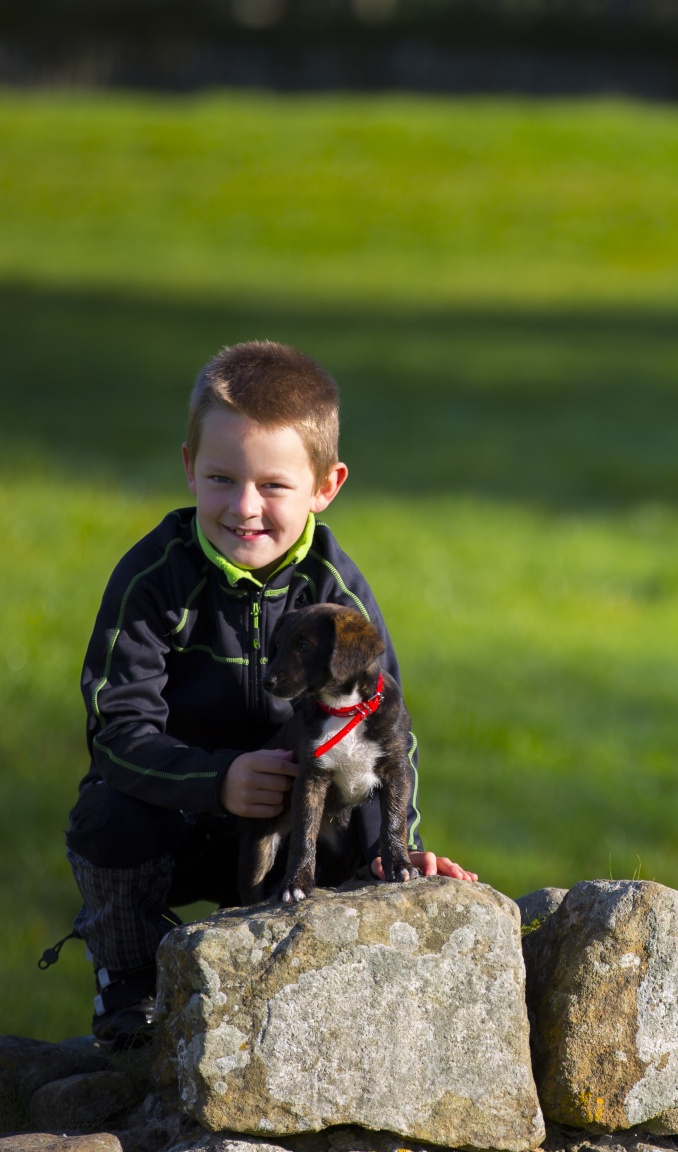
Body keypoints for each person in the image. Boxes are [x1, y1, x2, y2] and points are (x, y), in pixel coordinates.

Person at [58, 341, 472, 1048]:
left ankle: (332, 994)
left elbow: (386, 732)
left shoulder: (336, 595)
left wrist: (399, 847)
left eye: (273, 486)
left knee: (375, 851)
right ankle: (129, 982)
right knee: (105, 813)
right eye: (221, 478)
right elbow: (116, 730)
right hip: (185, 819)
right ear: (188, 468)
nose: (244, 507)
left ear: (325, 485)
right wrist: (218, 779)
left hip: (306, 824)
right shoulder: (154, 580)